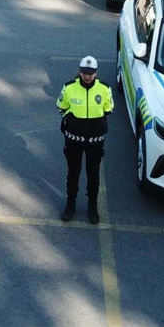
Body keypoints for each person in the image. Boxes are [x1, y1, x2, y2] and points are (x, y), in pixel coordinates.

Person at [56, 56, 113, 224]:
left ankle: (92, 207)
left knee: (93, 175)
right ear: (80, 72)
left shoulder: (104, 89)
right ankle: (70, 205)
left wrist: (95, 125)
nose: (87, 76)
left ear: (96, 73)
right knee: (73, 173)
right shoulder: (68, 87)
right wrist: (73, 120)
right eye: (84, 72)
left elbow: (108, 110)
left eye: (91, 73)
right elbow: (61, 107)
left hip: (95, 142)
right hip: (74, 141)